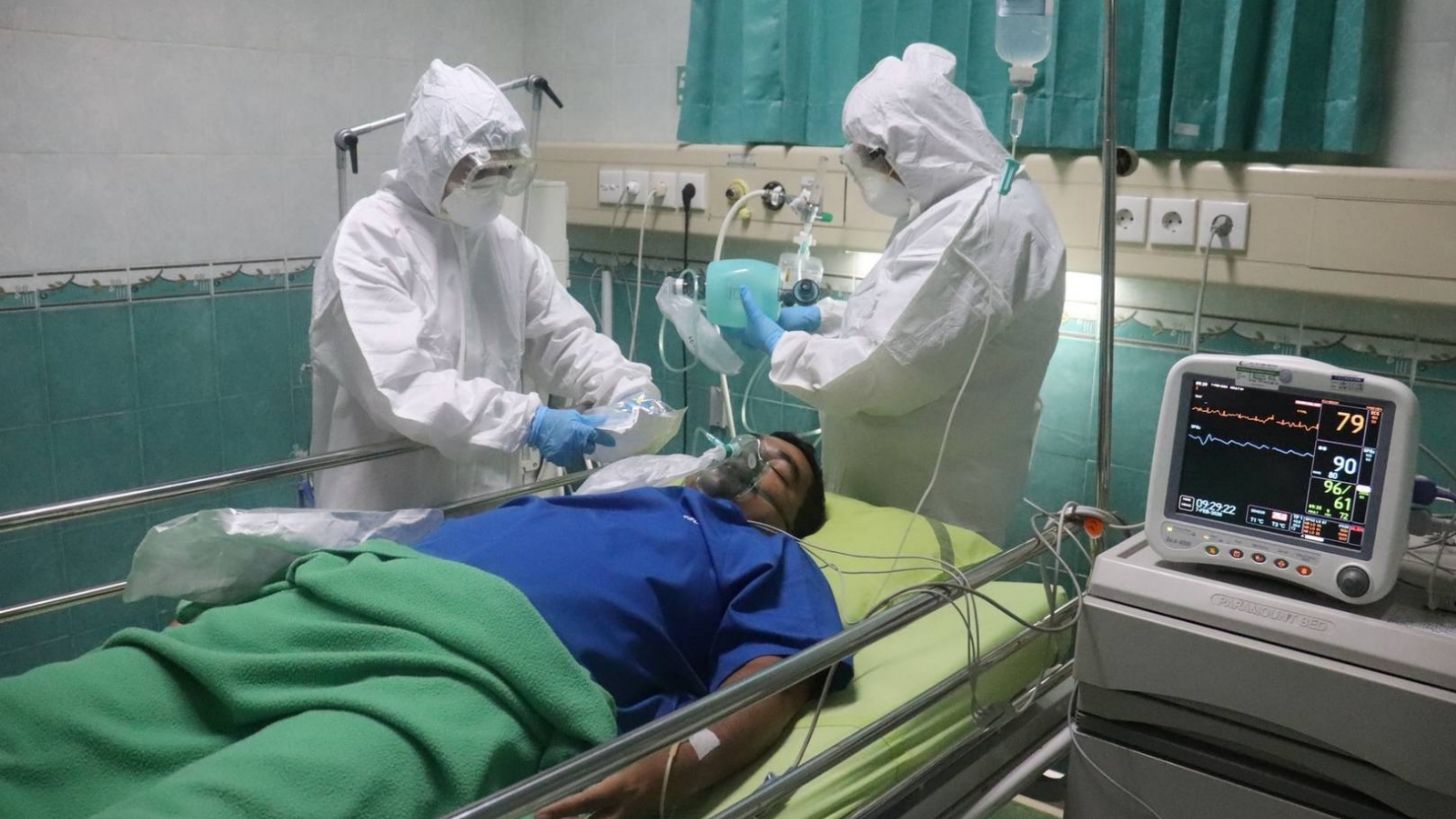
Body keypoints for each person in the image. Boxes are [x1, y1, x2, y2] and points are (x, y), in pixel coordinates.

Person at [0, 433, 849, 819]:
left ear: (796, 518)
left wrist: (663, 771)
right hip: (349, 597)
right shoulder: (623, 491)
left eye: (787, 471)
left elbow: (775, 682)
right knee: (63, 715)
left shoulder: (770, 556)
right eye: (757, 446)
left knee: (248, 797)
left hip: (485, 674)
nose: (763, 461)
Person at [733, 43, 1066, 543]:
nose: (866, 168)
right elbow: (909, 321)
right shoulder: (950, 202)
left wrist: (784, 347)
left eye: (871, 155)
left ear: (912, 147)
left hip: (929, 506)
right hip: (895, 496)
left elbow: (883, 368)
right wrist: (824, 319)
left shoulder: (979, 225)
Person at [310, 59, 658, 511]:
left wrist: (623, 388)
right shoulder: (369, 241)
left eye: (506, 169)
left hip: (489, 504)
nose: (494, 184)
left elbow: (564, 337)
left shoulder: (503, 243)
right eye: (479, 171)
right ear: (432, 159)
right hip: (389, 511)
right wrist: (529, 422)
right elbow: (405, 387)